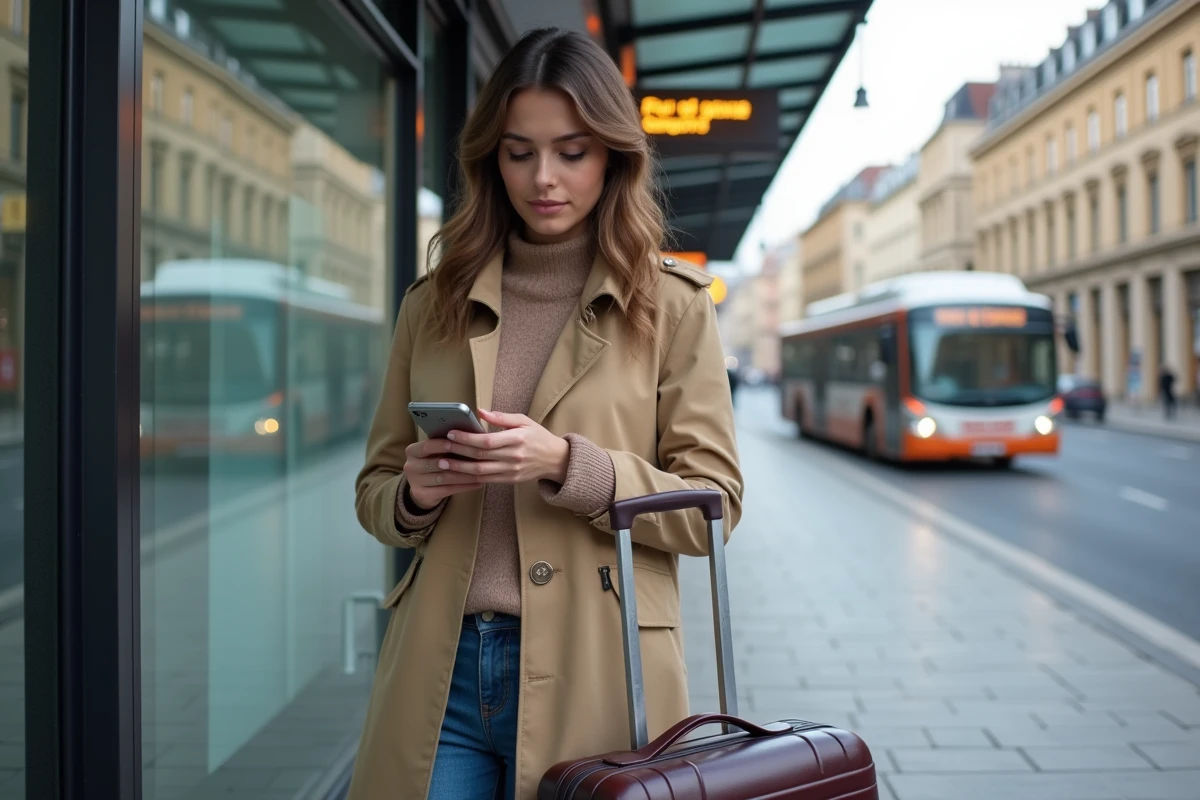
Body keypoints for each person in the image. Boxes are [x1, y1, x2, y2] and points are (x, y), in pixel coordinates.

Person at [348, 28, 743, 800]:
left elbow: (714, 509)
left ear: (613, 157)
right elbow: (375, 489)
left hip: (603, 661)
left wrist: (568, 464)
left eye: (572, 151)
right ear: (490, 158)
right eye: (518, 151)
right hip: (443, 666)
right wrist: (414, 492)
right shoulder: (432, 304)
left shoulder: (671, 306)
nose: (544, 178)